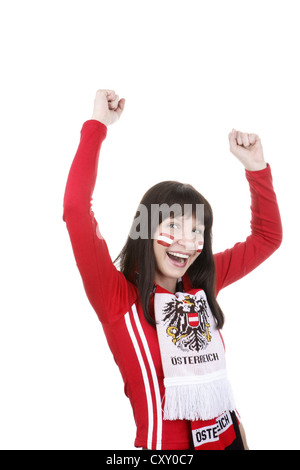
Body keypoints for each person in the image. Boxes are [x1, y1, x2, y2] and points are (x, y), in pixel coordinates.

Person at [62, 89, 282, 450]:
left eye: (197, 231)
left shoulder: (201, 282)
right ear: (145, 231)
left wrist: (256, 167)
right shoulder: (117, 299)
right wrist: (98, 125)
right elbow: (75, 209)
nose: (186, 241)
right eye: (174, 226)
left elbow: (267, 237)